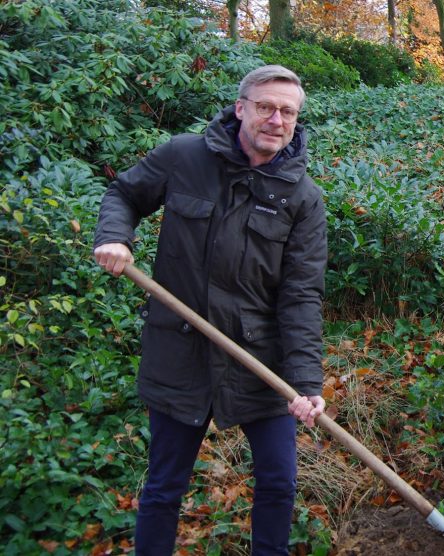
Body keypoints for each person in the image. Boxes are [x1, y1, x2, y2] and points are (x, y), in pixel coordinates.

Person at [93, 65, 328, 555]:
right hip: (180, 349)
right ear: (241, 108)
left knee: (280, 484)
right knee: (164, 488)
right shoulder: (184, 157)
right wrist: (115, 236)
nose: (275, 119)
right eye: (264, 106)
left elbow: (301, 295)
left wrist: (306, 383)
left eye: (287, 111)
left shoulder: (302, 197)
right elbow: (124, 194)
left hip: (259, 359)